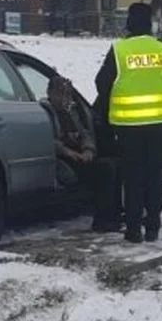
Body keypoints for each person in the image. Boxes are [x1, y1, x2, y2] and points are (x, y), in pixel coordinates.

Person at [95, 2, 162, 244]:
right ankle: (153, 226)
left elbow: (102, 83)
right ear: (150, 25)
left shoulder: (120, 50)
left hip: (128, 127)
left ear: (129, 24)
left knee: (132, 177)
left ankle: (133, 229)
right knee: (155, 176)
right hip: (160, 124)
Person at [42, 76, 122, 233]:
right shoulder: (47, 113)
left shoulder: (72, 112)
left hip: (81, 156)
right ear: (50, 93)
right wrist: (68, 151)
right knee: (104, 170)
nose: (64, 99)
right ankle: (102, 221)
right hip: (63, 160)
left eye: (67, 95)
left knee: (114, 164)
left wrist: (88, 150)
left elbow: (85, 133)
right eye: (60, 94)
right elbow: (48, 140)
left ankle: (115, 215)